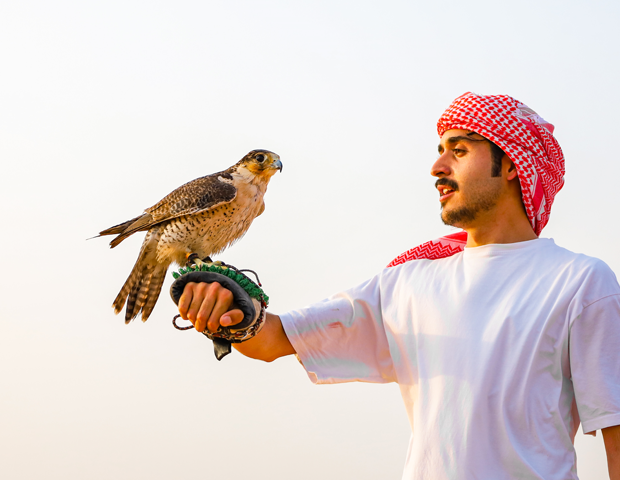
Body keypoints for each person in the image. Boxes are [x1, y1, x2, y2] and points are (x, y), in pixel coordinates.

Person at [176, 93, 620, 479]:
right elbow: (274, 338)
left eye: (459, 151)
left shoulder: (579, 283)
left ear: (511, 164)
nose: (437, 167)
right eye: (440, 150)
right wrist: (232, 311)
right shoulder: (410, 281)